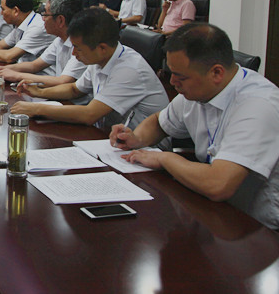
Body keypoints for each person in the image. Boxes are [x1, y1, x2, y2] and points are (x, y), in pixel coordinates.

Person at [111, 23, 279, 230]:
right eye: (171, 73)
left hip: (258, 228)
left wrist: (165, 158)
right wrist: (136, 138)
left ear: (216, 73)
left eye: (180, 76)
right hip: (213, 212)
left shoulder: (258, 106)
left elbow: (219, 184)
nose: (173, 82)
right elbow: (159, 122)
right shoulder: (198, 90)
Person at [11, 7, 169, 128]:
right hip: (111, 137)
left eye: (78, 48)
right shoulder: (100, 59)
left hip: (146, 149)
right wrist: (39, 92)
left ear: (102, 48)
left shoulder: (129, 69)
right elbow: (74, 89)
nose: (74, 54)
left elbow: (89, 114)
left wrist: (36, 109)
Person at [0, 0, 87, 87]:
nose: (42, 18)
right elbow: (34, 65)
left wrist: (17, 76)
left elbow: (63, 81)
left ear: (60, 20)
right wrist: (6, 69)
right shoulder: (59, 40)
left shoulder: (82, 45)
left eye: (45, 14)